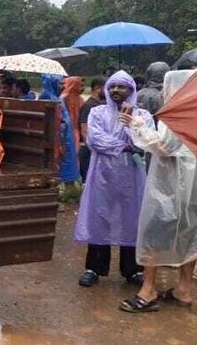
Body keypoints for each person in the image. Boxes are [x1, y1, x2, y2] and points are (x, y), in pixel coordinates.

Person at [119, 69, 197, 313]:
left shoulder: (177, 116)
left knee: (154, 230)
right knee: (190, 233)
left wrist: (137, 125)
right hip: (193, 185)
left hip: (171, 184)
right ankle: (183, 289)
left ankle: (149, 289)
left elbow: (163, 146)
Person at [74, 70, 153, 287]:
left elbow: (145, 142)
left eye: (121, 86)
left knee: (132, 219)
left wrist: (131, 125)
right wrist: (125, 145)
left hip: (132, 177)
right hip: (102, 175)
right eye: (112, 86)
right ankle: (94, 268)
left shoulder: (142, 116)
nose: (116, 90)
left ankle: (132, 270)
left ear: (131, 90)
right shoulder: (97, 112)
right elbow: (95, 140)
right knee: (100, 217)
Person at [39, 74, 79, 185]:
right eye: (60, 83)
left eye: (63, 83)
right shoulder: (48, 97)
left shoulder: (57, 97)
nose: (63, 86)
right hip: (59, 138)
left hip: (65, 136)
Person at [78, 77, 106, 180]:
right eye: (107, 88)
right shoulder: (89, 106)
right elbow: (84, 129)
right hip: (89, 150)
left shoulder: (100, 105)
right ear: (98, 88)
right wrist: (92, 147)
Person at [61, 77, 85, 147]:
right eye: (81, 85)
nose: (82, 88)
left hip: (76, 129)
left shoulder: (80, 99)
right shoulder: (64, 98)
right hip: (67, 129)